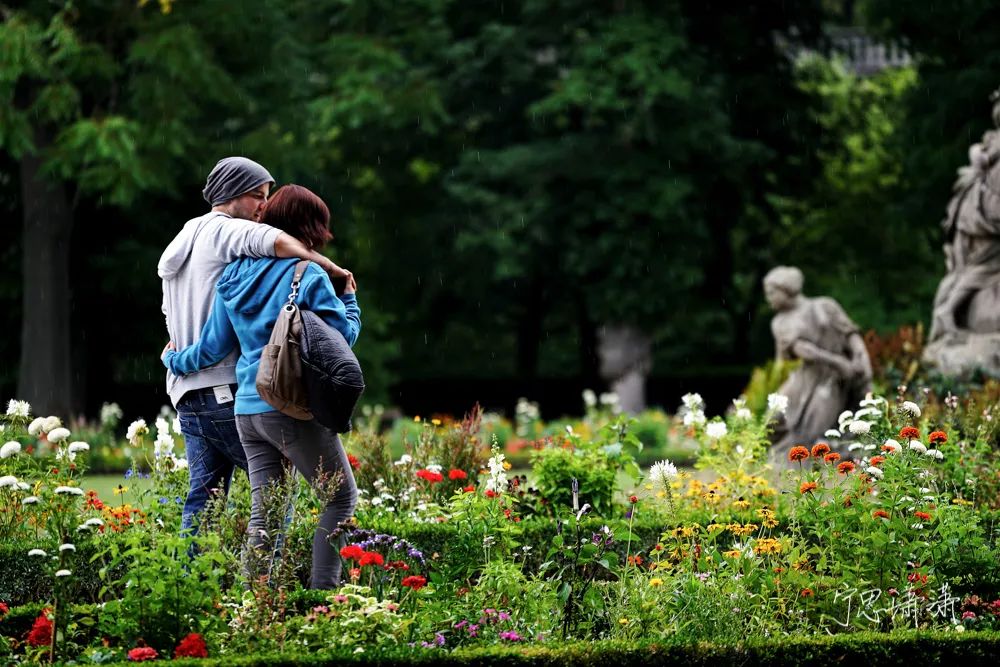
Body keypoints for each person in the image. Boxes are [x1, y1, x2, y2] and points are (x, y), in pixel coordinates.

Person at [162, 184, 360, 589]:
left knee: (264, 513)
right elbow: (340, 345)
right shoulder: (309, 275)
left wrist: (173, 360)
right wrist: (352, 302)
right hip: (289, 406)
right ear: (311, 229)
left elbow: (214, 346)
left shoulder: (233, 274)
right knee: (340, 498)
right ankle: (324, 598)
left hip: (247, 410)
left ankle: (256, 603)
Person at [763, 266, 872, 462]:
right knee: (772, 419)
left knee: (810, 433)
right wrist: (838, 362)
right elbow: (805, 353)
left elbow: (850, 333)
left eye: (771, 292)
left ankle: (813, 458)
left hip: (832, 380)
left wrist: (860, 357)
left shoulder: (824, 306)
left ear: (785, 289)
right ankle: (771, 460)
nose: (768, 298)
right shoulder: (780, 322)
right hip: (806, 376)